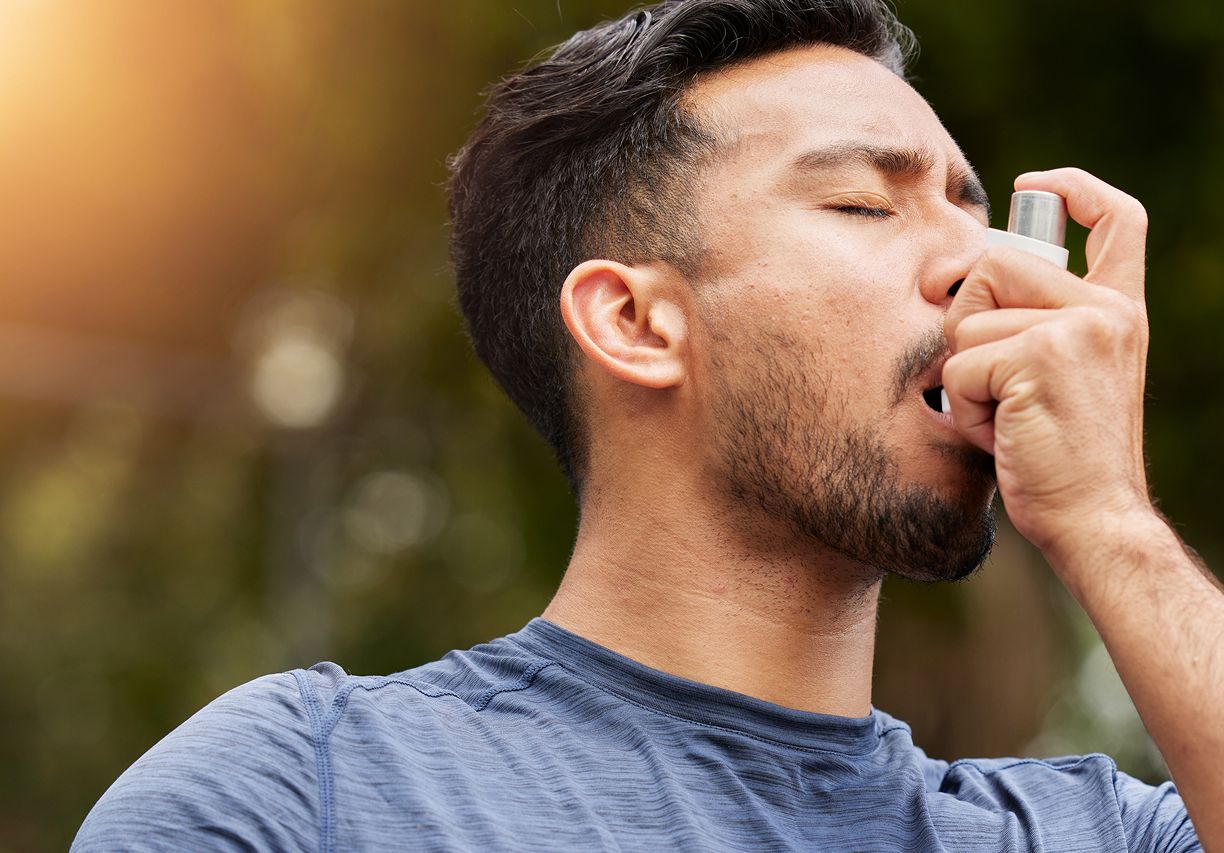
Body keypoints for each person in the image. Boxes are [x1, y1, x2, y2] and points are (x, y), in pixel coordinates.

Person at [74, 1, 1218, 850]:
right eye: (867, 205)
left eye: (981, 218)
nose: (987, 272)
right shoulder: (309, 790)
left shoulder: (1088, 831)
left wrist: (1109, 519)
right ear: (632, 321)